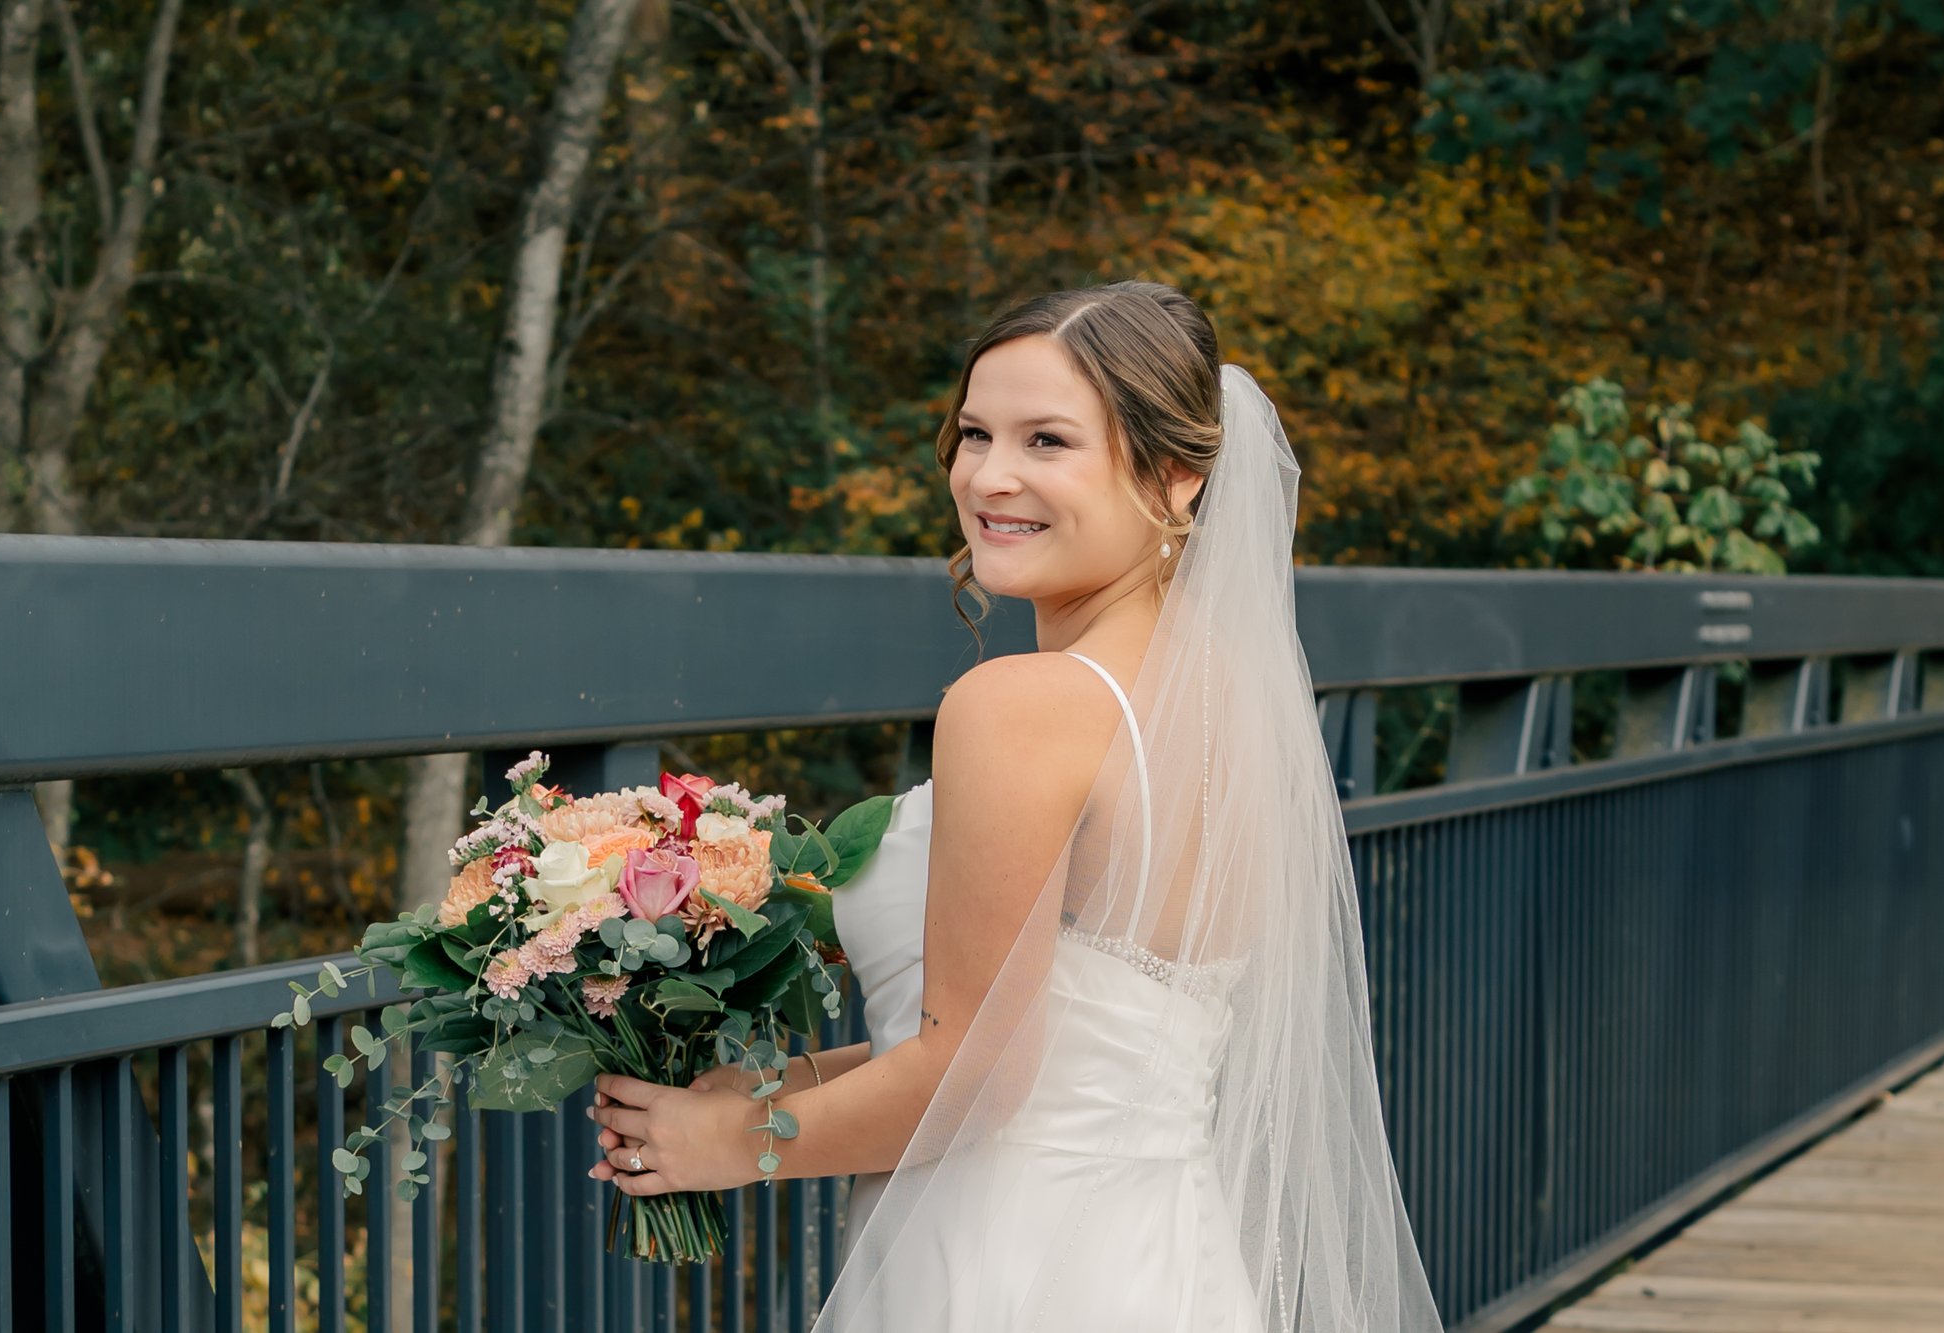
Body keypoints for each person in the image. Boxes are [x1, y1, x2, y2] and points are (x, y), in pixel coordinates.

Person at [585, 281, 1443, 1330]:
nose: (989, 474)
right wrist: (774, 1085)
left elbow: (980, 1076)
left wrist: (734, 1145)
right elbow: (1068, 1036)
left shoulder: (1019, 705)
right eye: (975, 433)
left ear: (1174, 478)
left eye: (1047, 441)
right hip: (1165, 1259)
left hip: (1007, 1259)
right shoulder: (1234, 707)